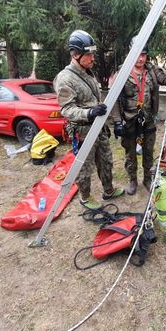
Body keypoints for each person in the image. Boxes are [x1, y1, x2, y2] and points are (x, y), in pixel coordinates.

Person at [54, 30, 124, 210]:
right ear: (76, 55)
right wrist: (89, 113)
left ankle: (108, 190)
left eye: (93, 53)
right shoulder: (65, 78)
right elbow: (66, 109)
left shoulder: (88, 72)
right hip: (83, 130)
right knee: (84, 167)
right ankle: (85, 197)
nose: (93, 58)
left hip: (98, 127)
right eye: (89, 54)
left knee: (106, 160)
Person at [111, 36, 166, 195]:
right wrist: (117, 122)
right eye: (137, 54)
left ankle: (147, 178)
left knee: (148, 152)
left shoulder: (151, 71)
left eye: (143, 55)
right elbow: (114, 100)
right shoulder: (122, 73)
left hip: (148, 121)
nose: (140, 58)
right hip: (130, 121)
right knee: (130, 154)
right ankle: (132, 180)